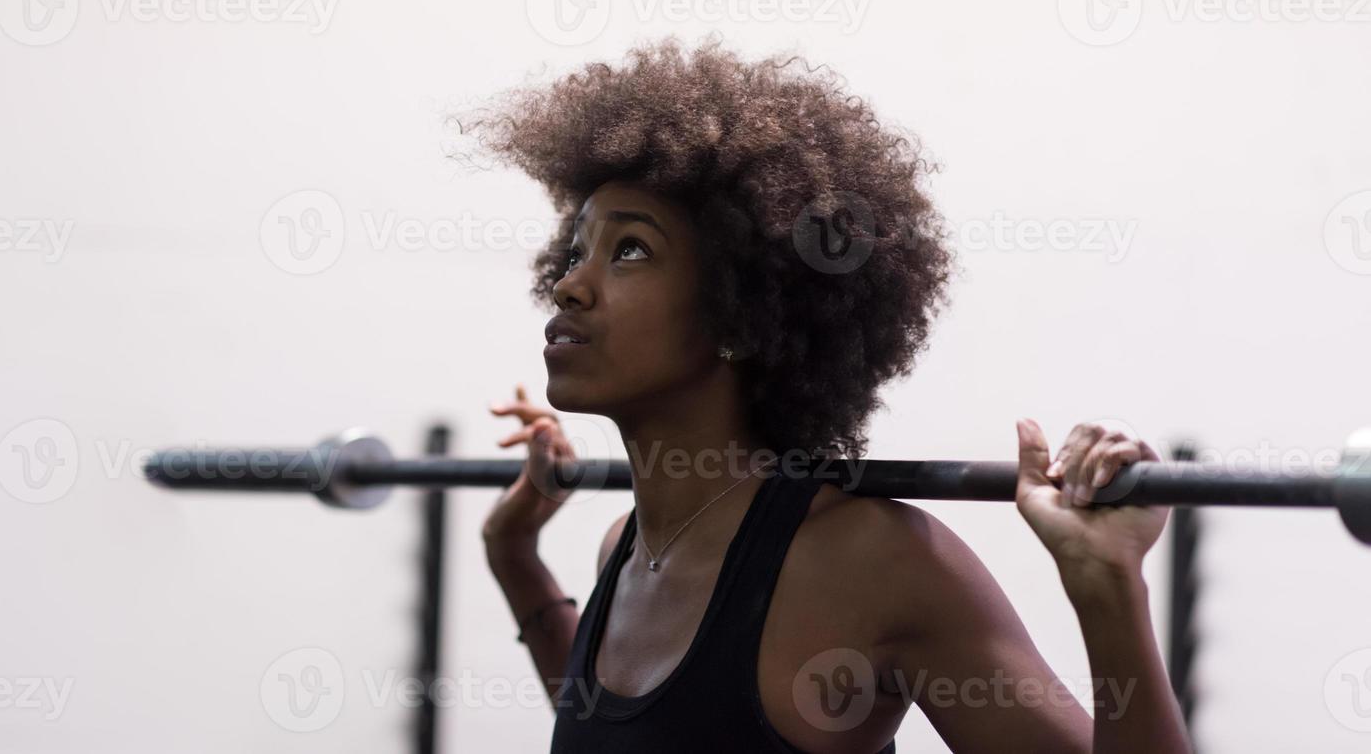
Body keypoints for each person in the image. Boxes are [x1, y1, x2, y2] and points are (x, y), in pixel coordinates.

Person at [460, 37, 1191, 753]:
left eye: (628, 250)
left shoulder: (874, 562)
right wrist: (513, 552)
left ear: (738, 316)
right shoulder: (624, 550)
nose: (568, 284)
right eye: (573, 251)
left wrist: (1106, 588)